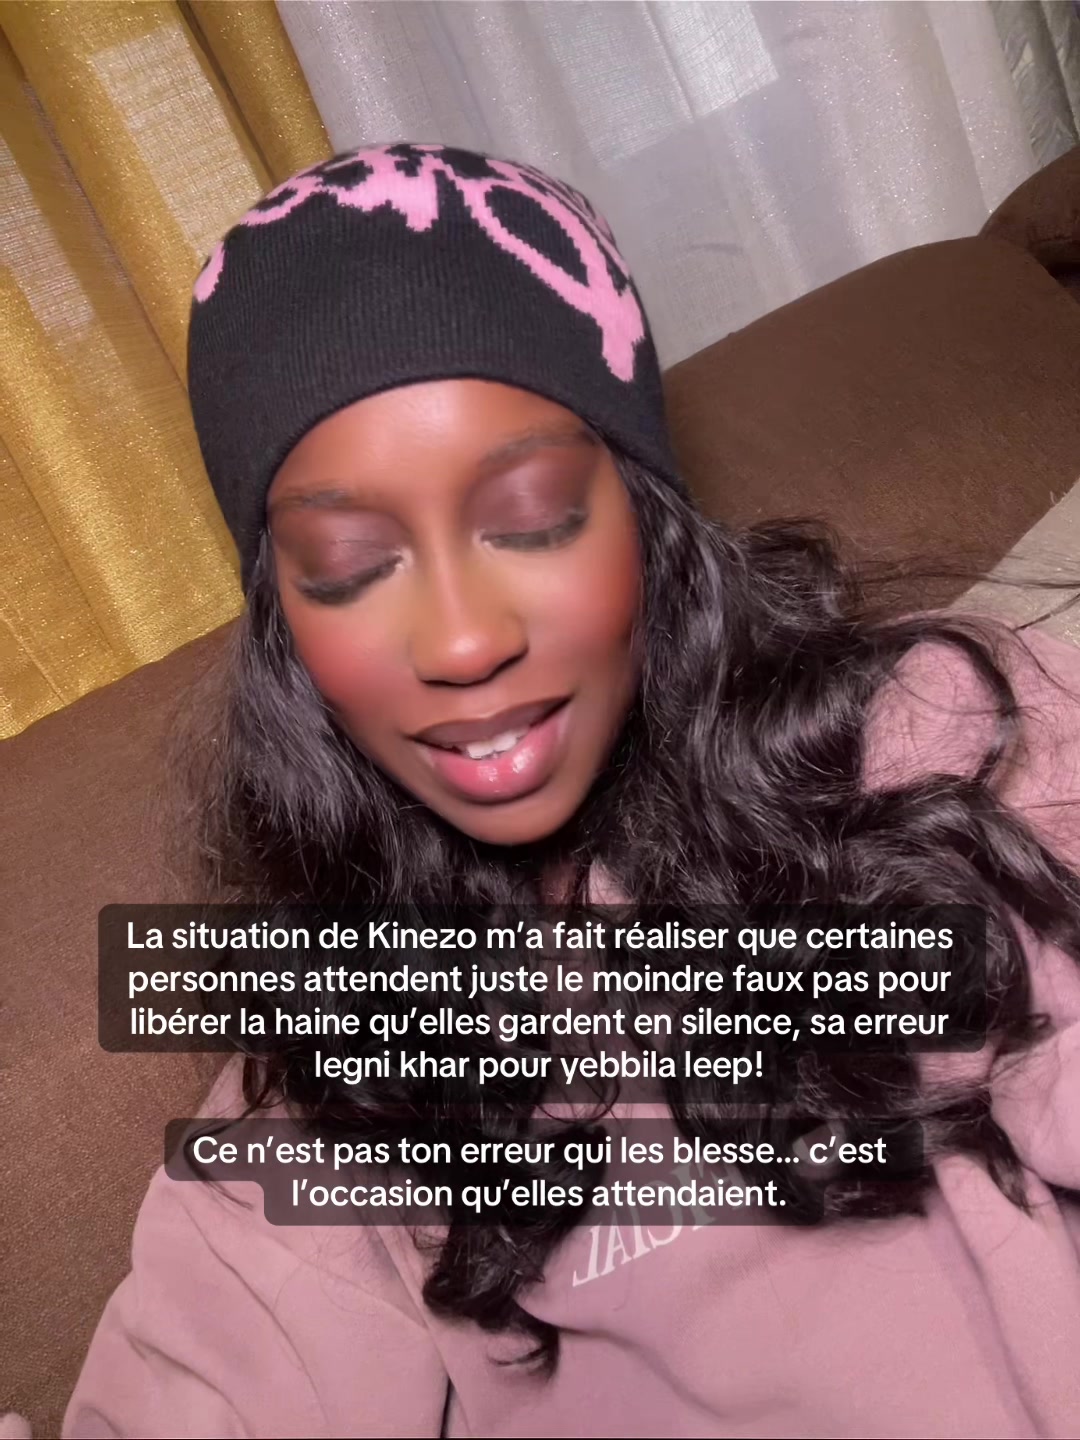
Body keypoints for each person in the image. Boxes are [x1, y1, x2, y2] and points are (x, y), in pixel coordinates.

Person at [63, 142, 1080, 1439]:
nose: (462, 639)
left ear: (646, 521)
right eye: (349, 563)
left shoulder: (937, 746)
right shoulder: (333, 1078)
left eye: (535, 517)